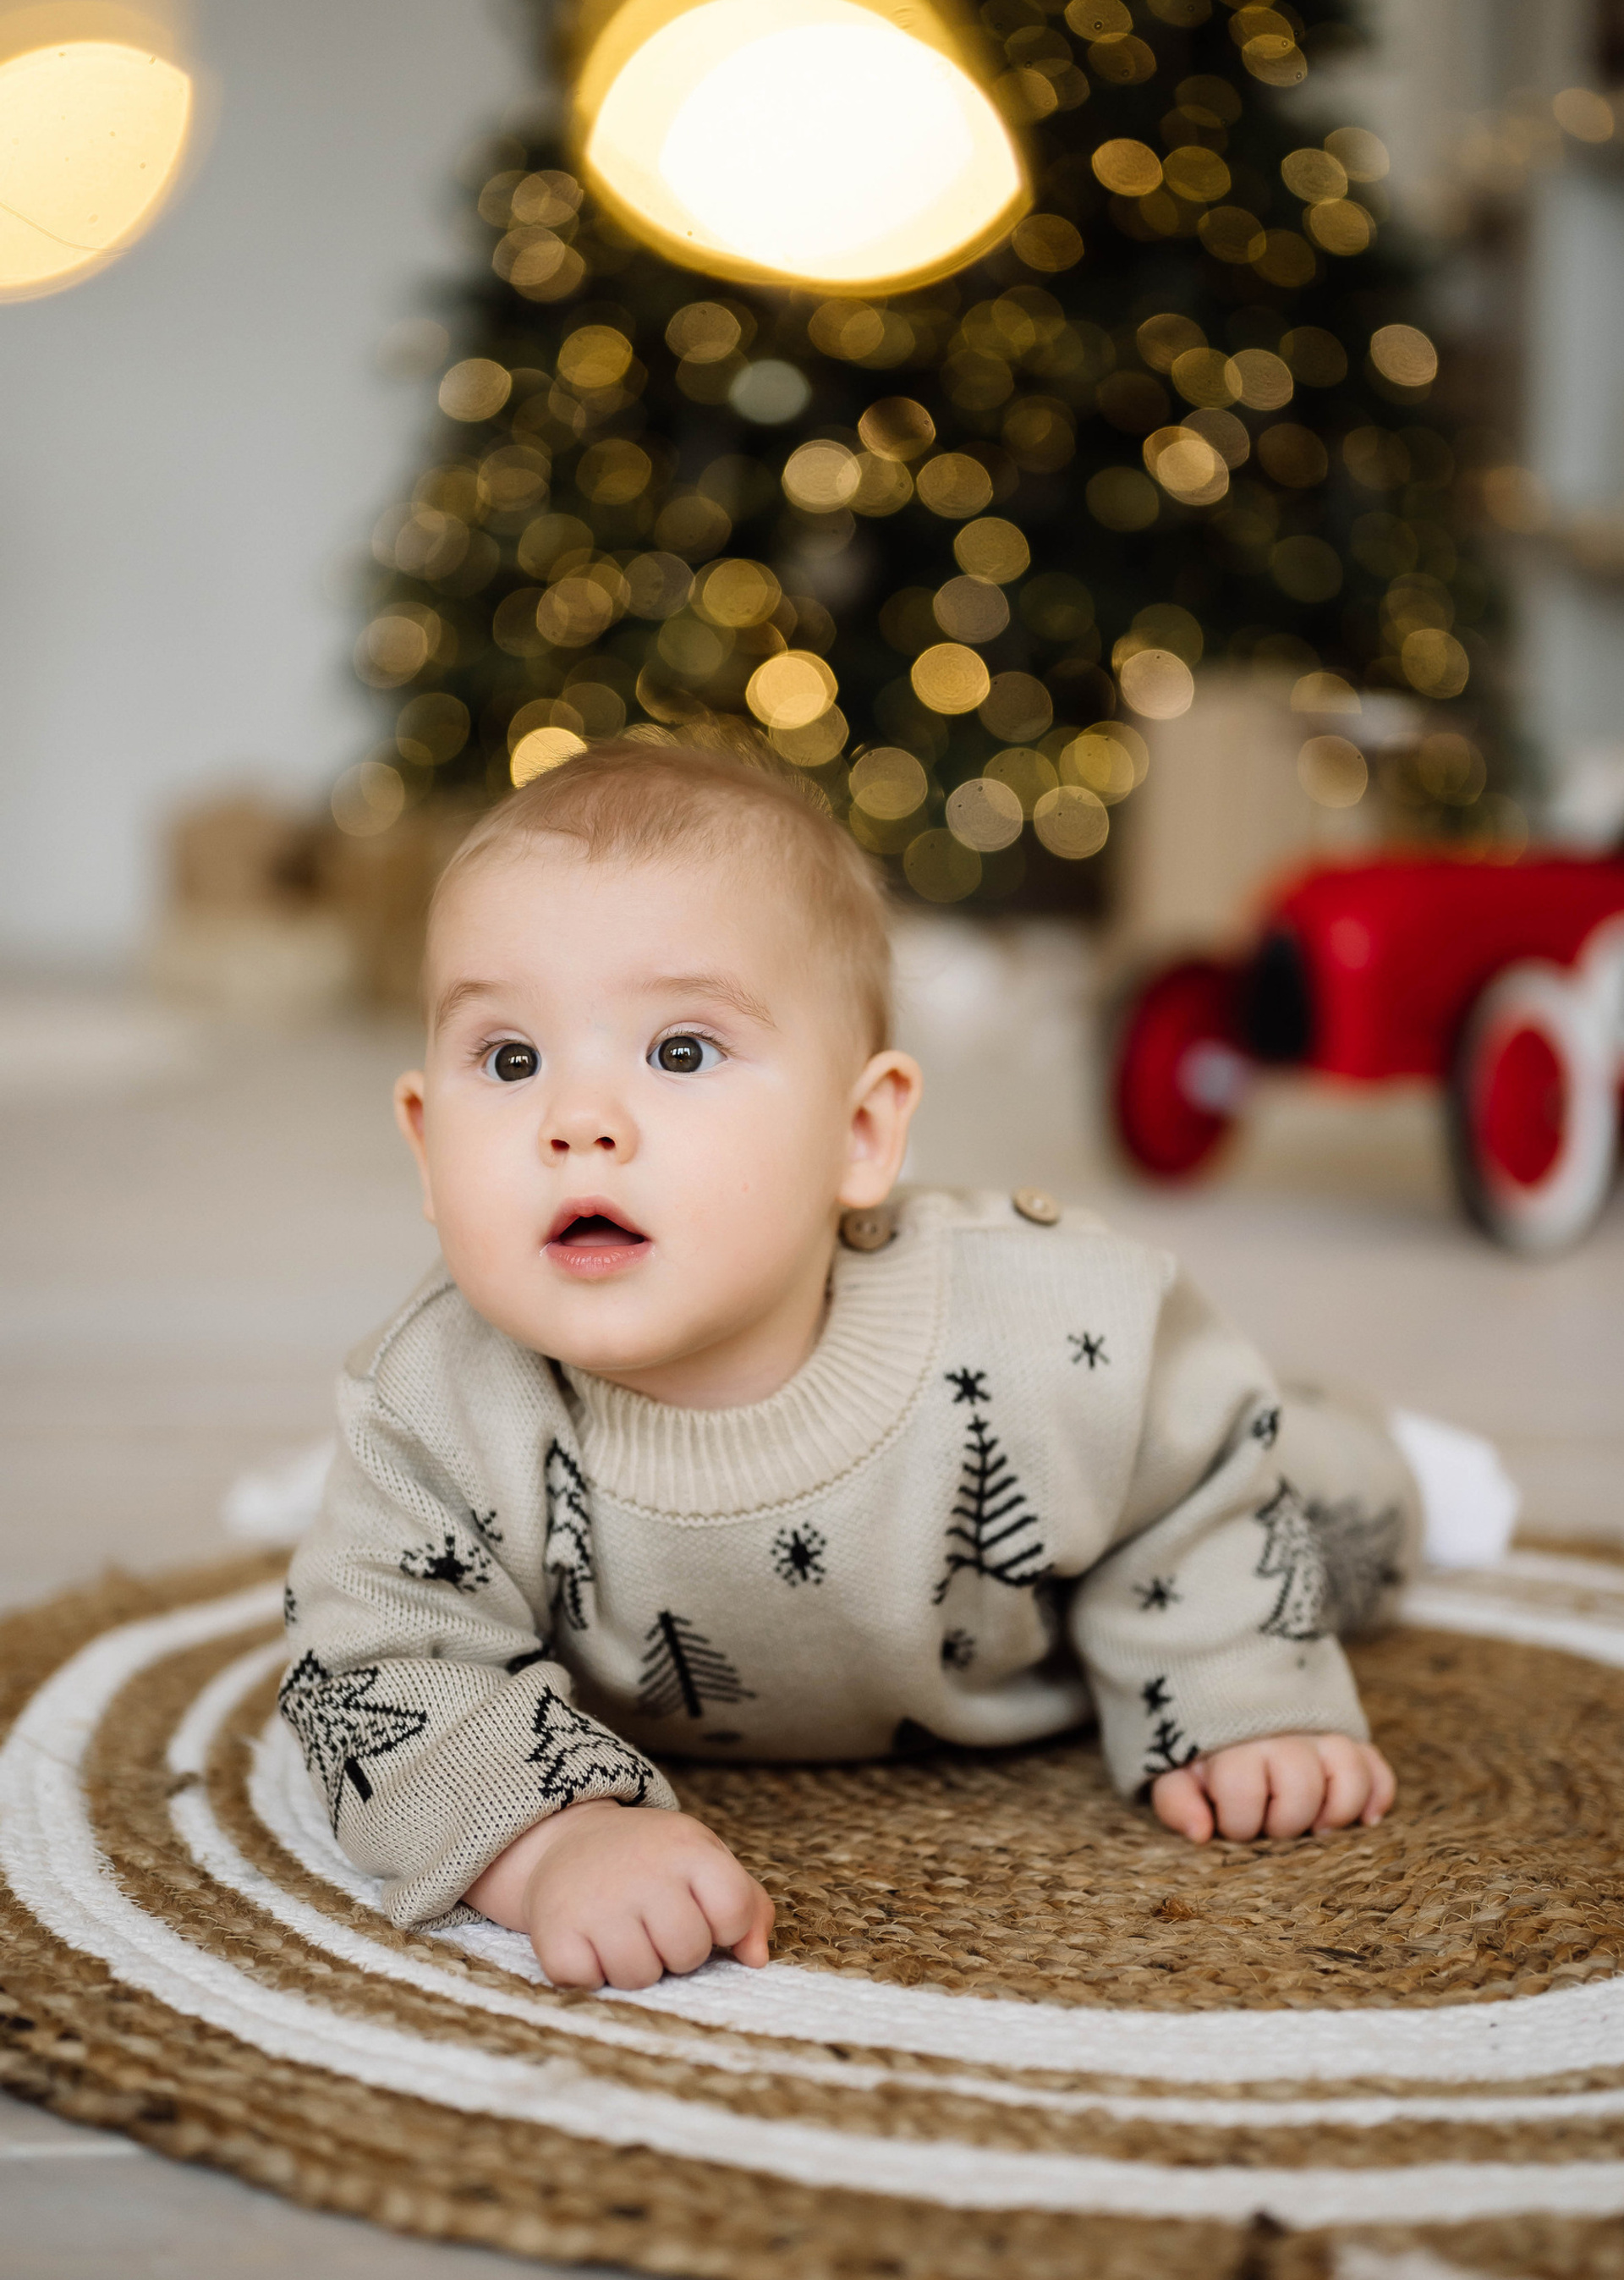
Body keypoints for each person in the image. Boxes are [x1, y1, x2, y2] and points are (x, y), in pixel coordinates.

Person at [279, 725, 1514, 1993]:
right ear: (427, 1144)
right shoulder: (431, 1407)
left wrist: (1246, 1698)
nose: (577, 1121)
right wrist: (553, 1844)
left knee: (1313, 1494)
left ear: (860, 1133)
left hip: (1093, 1559)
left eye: (682, 1051)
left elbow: (1193, 1478)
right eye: (511, 1058)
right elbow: (373, 1672)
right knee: (370, 1558)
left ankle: (1401, 1461)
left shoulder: (1044, 1332)